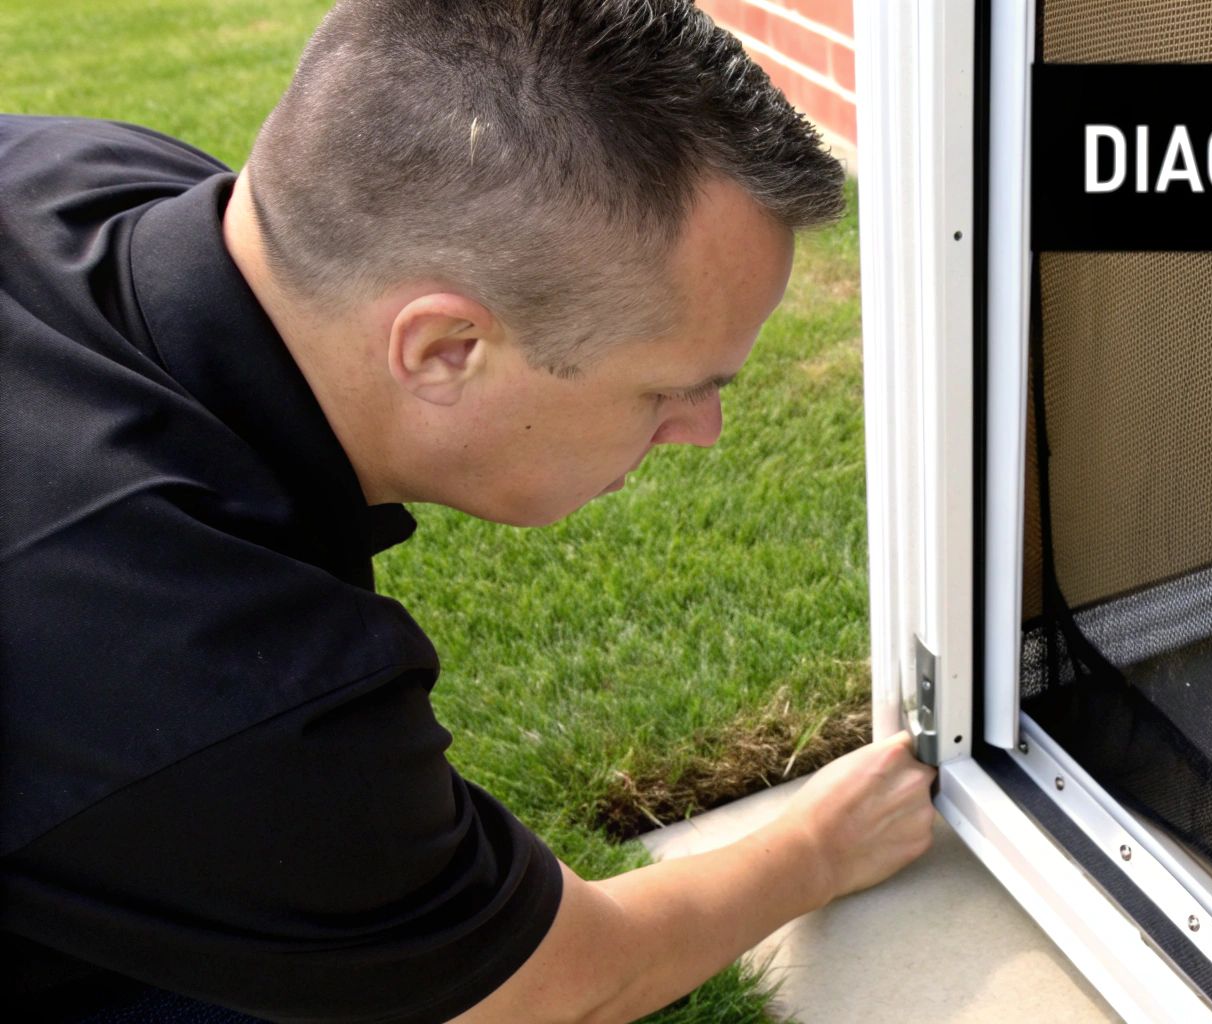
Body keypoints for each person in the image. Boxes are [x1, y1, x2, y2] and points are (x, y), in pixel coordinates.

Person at [0, 1, 937, 1021]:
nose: (701, 429)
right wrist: (810, 851)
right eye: (667, 389)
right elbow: (562, 984)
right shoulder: (215, 677)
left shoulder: (85, 172)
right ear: (443, 349)